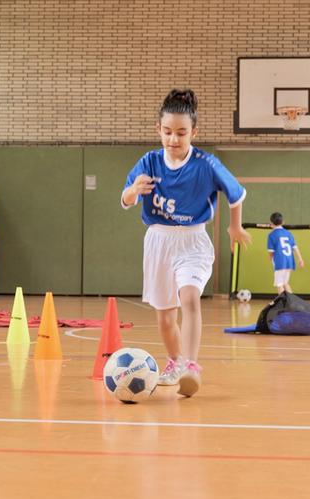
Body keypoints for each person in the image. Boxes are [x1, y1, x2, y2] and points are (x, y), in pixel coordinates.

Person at [121, 89, 251, 397]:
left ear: (194, 132)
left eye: (181, 133)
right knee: (165, 317)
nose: (173, 139)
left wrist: (235, 226)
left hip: (192, 241)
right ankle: (175, 361)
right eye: (167, 132)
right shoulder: (149, 162)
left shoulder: (207, 164)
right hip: (158, 241)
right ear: (159, 130)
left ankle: (191, 366)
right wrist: (134, 191)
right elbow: (124, 198)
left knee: (190, 298)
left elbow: (237, 194)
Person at [267, 212, 305, 294]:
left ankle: (283, 304)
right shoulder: (288, 233)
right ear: (283, 222)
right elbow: (295, 247)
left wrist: (270, 258)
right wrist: (300, 259)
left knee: (279, 284)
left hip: (280, 262)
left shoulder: (272, 235)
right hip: (289, 261)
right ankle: (292, 303)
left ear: (271, 223)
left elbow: (271, 252)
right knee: (285, 283)